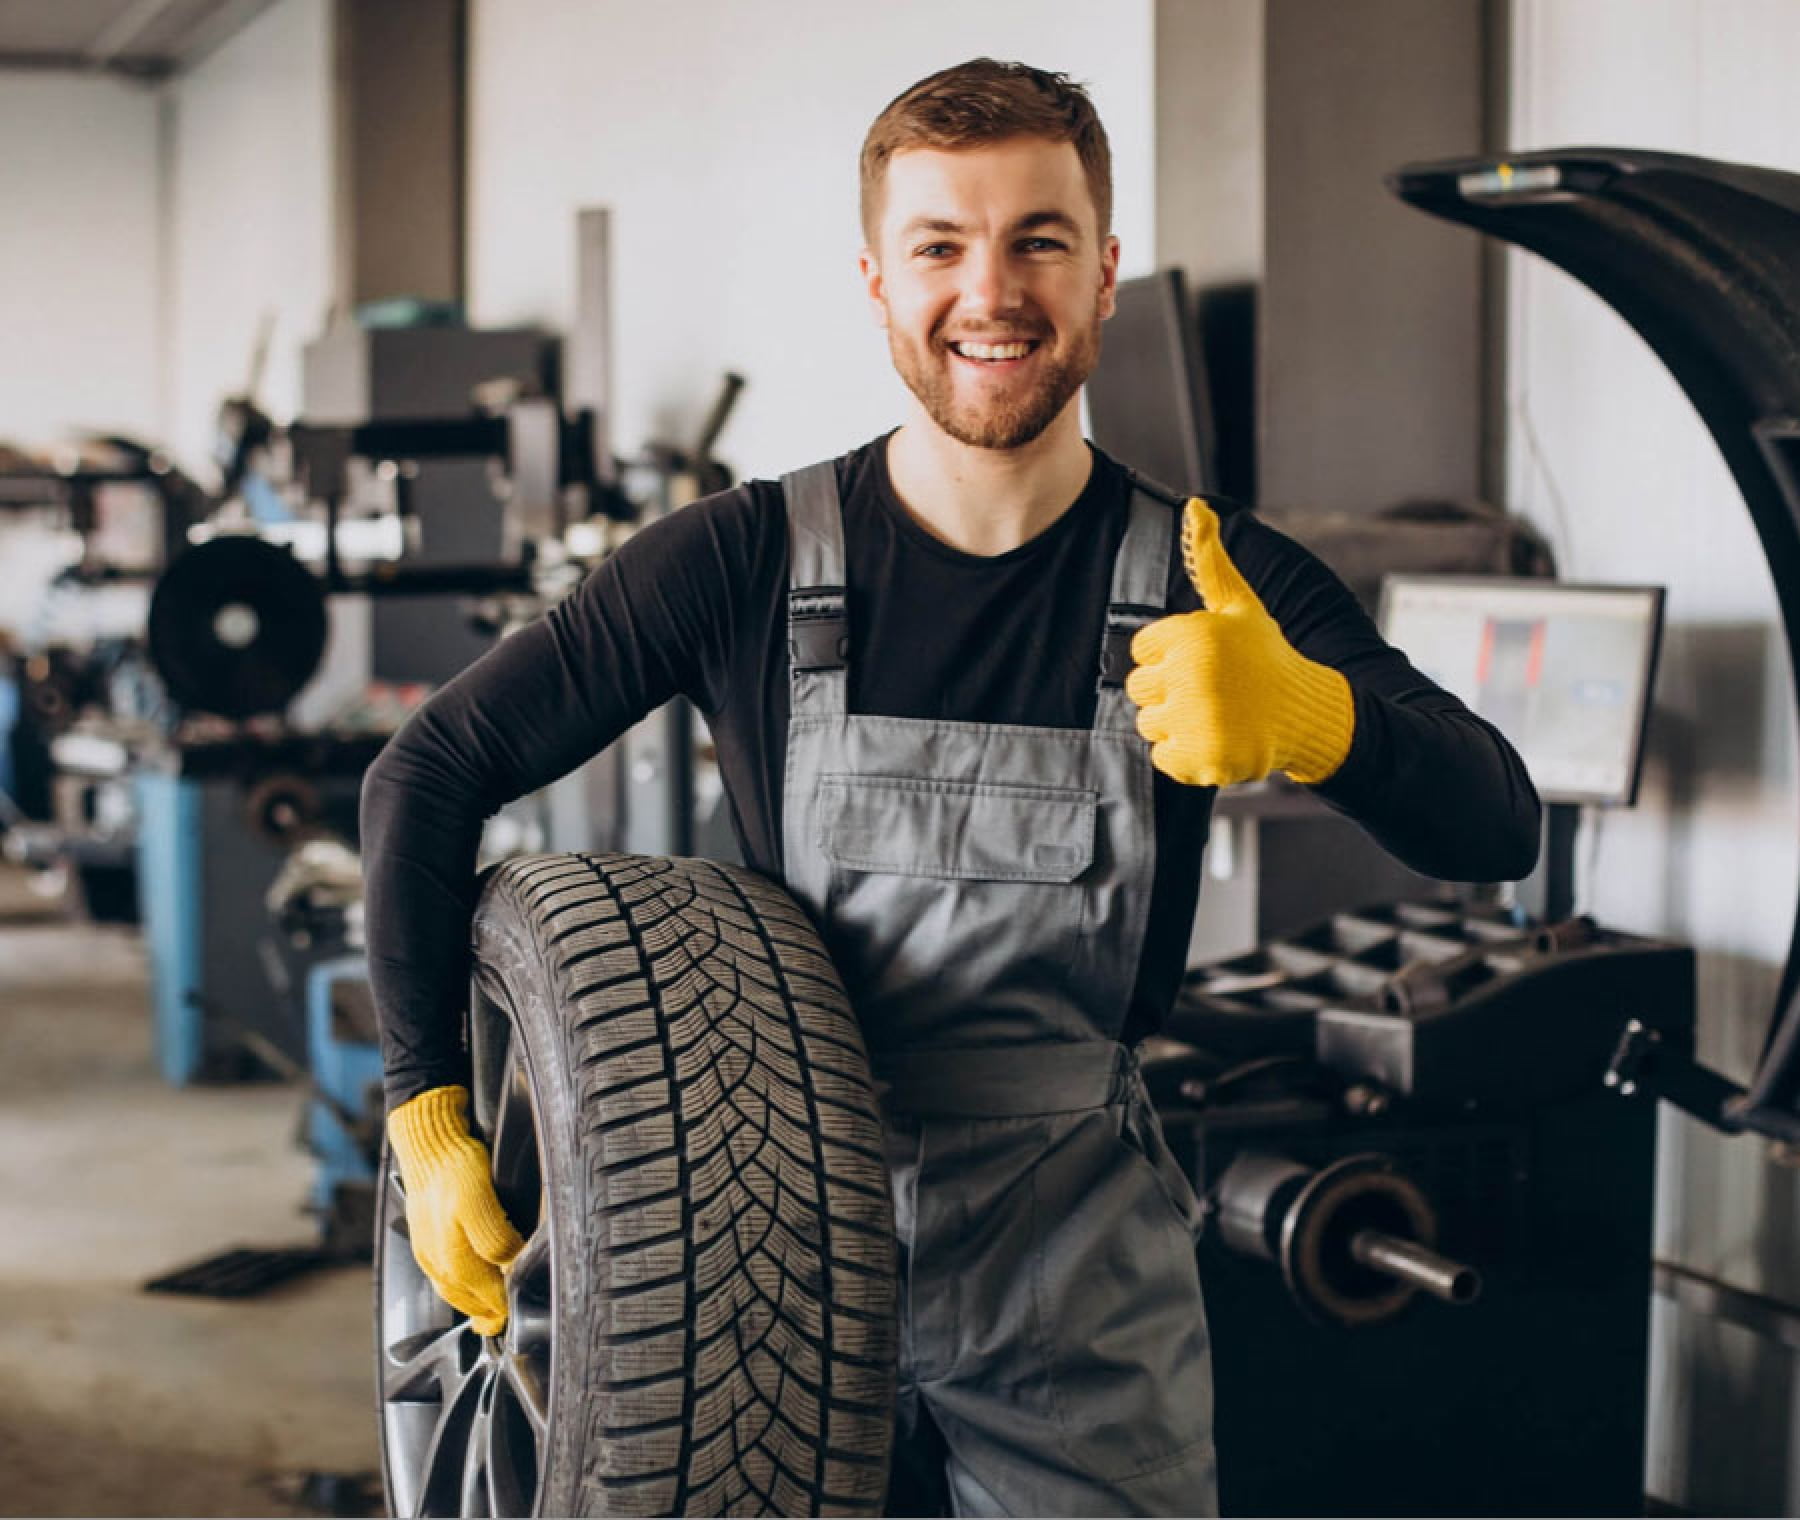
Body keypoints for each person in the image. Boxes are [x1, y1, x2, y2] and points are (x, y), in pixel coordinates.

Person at [361, 57, 1540, 1517]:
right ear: (875, 282)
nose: (991, 293)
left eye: (1039, 240)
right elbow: (429, 772)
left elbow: (1497, 818)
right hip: (750, 1258)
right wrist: (423, 1112)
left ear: (1105, 275)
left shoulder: (1216, 578)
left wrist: (1316, 718)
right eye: (941, 246)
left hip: (1077, 1290)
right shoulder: (739, 561)